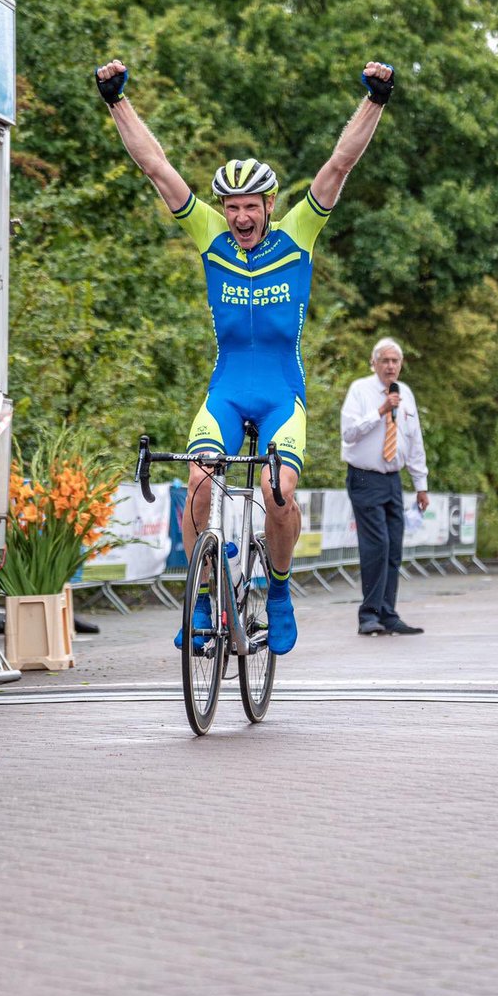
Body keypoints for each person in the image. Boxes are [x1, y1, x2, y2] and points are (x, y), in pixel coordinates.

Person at [95, 56, 395, 654]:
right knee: (199, 482)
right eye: (231, 206)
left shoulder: (297, 234)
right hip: (227, 389)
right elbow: (155, 166)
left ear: (269, 205)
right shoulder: (209, 236)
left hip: (283, 392)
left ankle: (278, 593)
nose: (240, 216)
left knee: (276, 492)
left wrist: (376, 100)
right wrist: (116, 101)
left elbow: (340, 164)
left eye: (250, 205)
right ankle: (202, 598)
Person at [340, 338, 429, 636]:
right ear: (374, 363)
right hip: (365, 476)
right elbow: (348, 433)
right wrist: (379, 411)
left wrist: (421, 485)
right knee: (376, 544)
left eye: (395, 361)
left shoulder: (406, 394)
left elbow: (414, 441)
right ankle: (368, 614)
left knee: (393, 547)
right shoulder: (360, 390)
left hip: (393, 478)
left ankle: (388, 613)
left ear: (401, 364)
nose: (391, 366)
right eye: (385, 360)